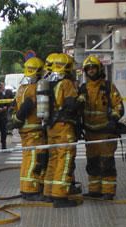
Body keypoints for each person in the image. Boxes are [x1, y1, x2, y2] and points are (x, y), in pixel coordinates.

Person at [78, 55, 124, 200]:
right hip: (90, 133)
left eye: (93, 67)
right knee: (92, 163)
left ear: (99, 69)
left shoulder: (108, 87)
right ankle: (94, 190)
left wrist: (114, 119)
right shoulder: (83, 89)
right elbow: (78, 109)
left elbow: (119, 106)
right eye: (88, 68)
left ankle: (108, 192)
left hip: (105, 133)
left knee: (106, 163)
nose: (91, 70)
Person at [42, 53, 81, 208]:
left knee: (53, 160)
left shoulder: (48, 83)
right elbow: (71, 105)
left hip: (51, 128)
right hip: (64, 127)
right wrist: (81, 101)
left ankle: (49, 192)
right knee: (64, 160)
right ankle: (60, 196)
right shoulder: (66, 84)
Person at [10, 56, 48, 201]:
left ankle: (27, 189)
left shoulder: (21, 89)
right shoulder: (34, 89)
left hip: (25, 131)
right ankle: (31, 191)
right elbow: (27, 107)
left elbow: (14, 106)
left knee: (27, 159)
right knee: (34, 160)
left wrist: (15, 121)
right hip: (34, 132)